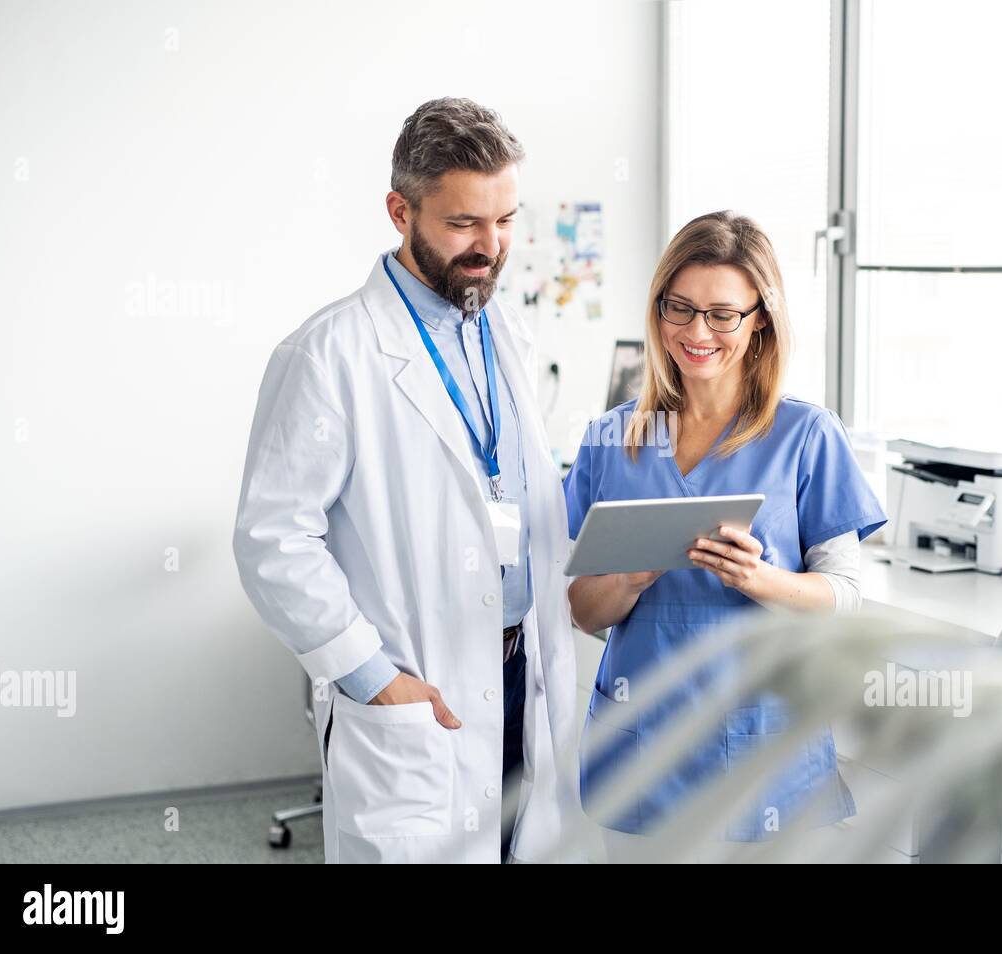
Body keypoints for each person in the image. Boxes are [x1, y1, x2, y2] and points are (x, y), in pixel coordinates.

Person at [233, 97, 577, 863]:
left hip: (524, 678)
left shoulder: (508, 336)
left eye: (506, 220)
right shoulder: (329, 354)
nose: (491, 247)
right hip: (420, 693)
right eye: (464, 225)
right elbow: (271, 540)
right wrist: (371, 677)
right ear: (401, 210)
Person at [563, 211, 888, 859]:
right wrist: (628, 577)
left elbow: (846, 596)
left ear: (760, 317)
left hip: (762, 748)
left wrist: (759, 579)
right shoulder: (612, 438)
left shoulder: (805, 436)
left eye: (722, 313)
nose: (696, 332)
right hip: (639, 749)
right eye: (678, 308)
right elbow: (578, 608)